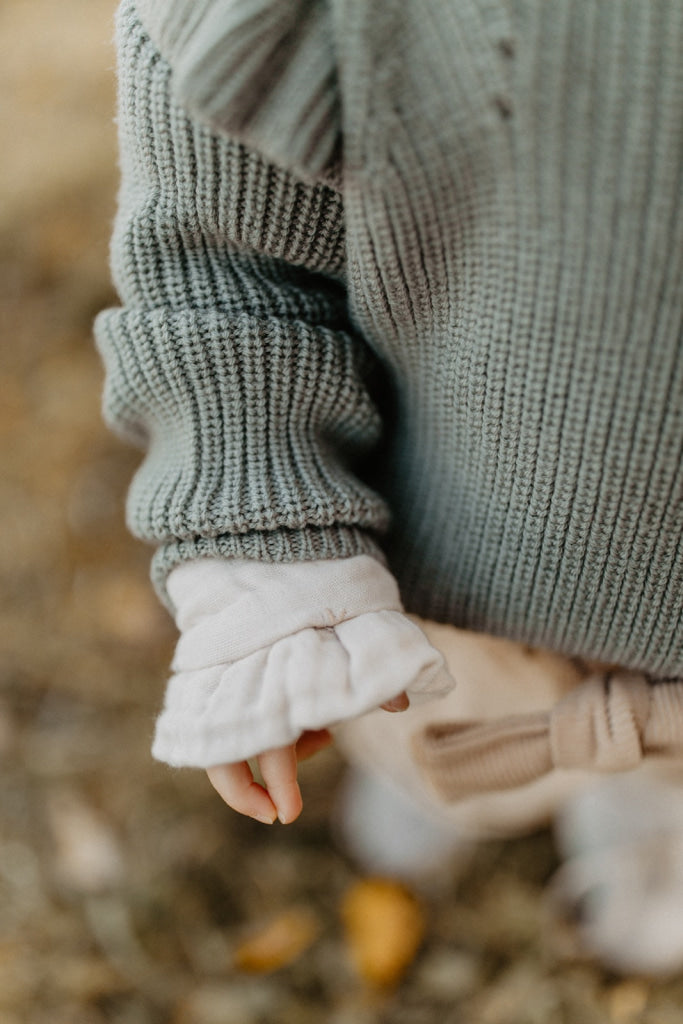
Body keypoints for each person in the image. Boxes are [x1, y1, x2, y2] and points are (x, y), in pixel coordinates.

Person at [96, 0, 683, 970]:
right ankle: (433, 776)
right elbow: (229, 253)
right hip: (447, 584)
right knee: (414, 722)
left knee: (649, 769)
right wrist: (264, 542)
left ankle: (636, 802)